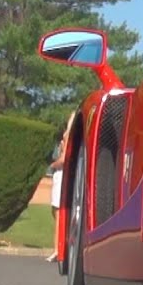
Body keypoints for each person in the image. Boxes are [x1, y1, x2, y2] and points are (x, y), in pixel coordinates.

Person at [46, 110, 77, 263]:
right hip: (59, 174)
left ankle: (58, 249)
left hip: (61, 173)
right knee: (55, 211)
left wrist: (52, 164)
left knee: (59, 212)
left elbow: (64, 159)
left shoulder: (69, 137)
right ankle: (59, 247)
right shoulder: (66, 135)